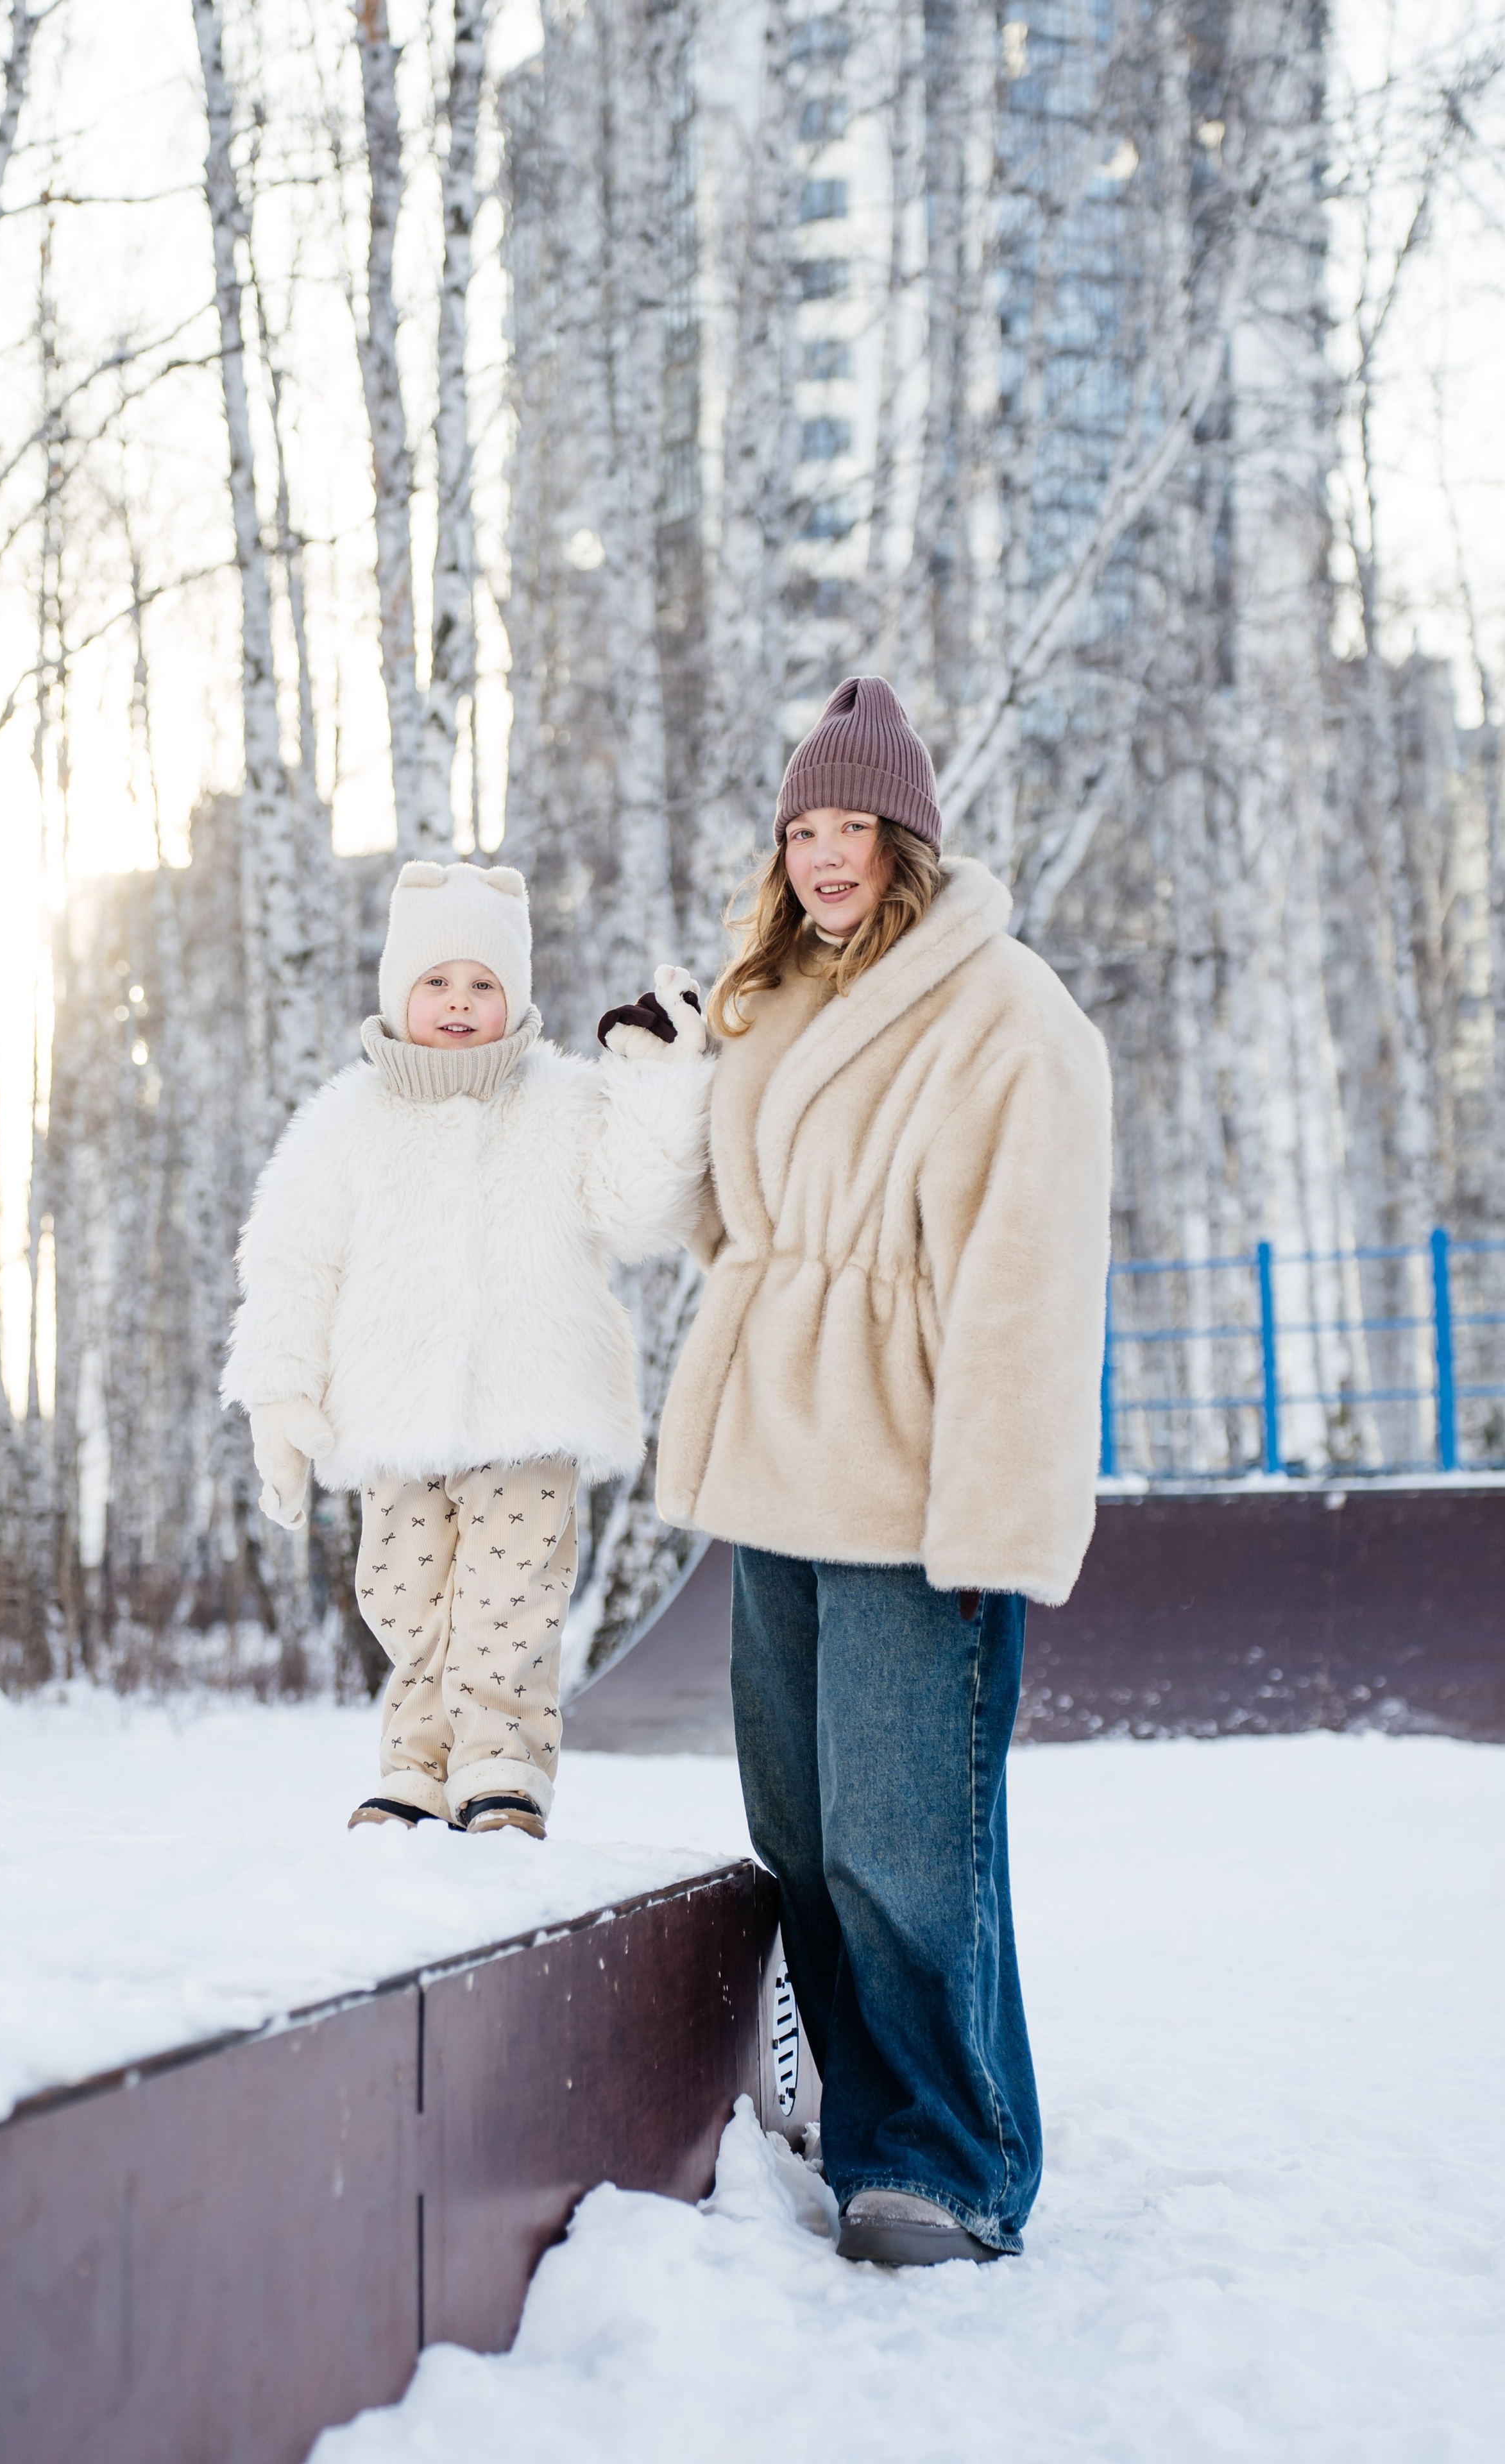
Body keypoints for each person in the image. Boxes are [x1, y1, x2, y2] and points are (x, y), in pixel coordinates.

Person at [656, 676, 1112, 2265]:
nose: (824, 856)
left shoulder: (1006, 1013)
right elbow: (730, 1234)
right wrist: (663, 1087)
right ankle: (863, 2121)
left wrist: (992, 1514)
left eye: (851, 826)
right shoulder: (774, 1003)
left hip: (918, 1488)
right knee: (799, 1834)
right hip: (775, 1469)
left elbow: (1028, 1288)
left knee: (905, 1845)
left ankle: (948, 2166)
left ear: (904, 839)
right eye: (801, 830)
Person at [222, 859, 709, 1839]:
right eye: (436, 981)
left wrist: (659, 1084)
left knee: (510, 1598)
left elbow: (639, 1208)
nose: (458, 1002)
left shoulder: (565, 1103)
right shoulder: (346, 1123)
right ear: (397, 992)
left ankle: (501, 1764)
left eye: (482, 984)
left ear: (514, 996)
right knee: (404, 1600)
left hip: (532, 1406)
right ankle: (416, 1765)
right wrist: (279, 1394)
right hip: (392, 1417)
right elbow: (290, 1261)